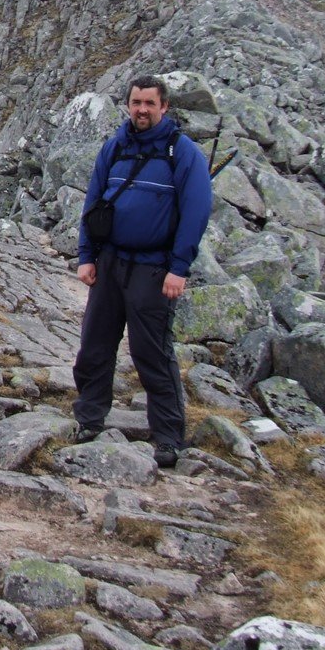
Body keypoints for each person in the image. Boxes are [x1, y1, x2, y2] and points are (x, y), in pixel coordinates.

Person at [73, 74, 214, 469]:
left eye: (150, 103)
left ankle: (168, 437)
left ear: (164, 107)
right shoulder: (115, 147)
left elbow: (196, 212)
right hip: (110, 263)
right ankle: (89, 418)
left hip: (154, 269)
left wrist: (179, 268)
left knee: (151, 353)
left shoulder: (182, 153)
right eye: (136, 103)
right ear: (128, 105)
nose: (142, 110)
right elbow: (93, 203)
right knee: (95, 345)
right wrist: (86, 255)